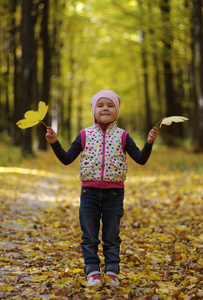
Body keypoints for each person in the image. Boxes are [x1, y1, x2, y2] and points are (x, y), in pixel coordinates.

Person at [45, 90, 158, 287]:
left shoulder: (123, 136)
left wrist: (149, 143)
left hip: (114, 194)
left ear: (116, 112)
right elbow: (66, 159)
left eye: (110, 105)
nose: (105, 108)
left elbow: (140, 159)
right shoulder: (84, 135)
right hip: (89, 194)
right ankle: (93, 272)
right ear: (94, 111)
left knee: (111, 236)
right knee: (89, 236)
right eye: (101, 105)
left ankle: (112, 271)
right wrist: (55, 143)